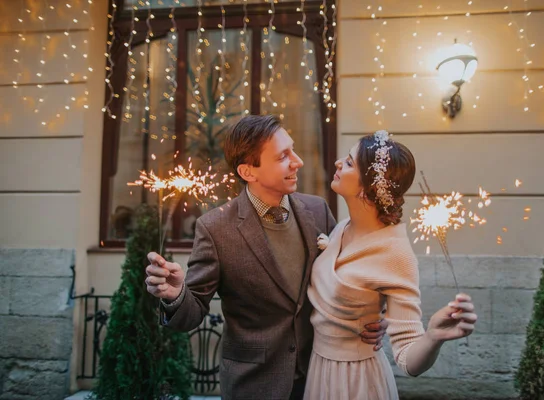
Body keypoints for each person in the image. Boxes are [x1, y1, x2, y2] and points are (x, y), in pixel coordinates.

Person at [144, 115, 387, 400]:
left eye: (293, 150)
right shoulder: (215, 229)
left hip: (321, 378)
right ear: (249, 172)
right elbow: (192, 313)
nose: (297, 161)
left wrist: (374, 315)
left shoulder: (318, 210)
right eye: (283, 156)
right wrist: (176, 295)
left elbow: (347, 279)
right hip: (254, 386)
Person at [303, 130, 478, 399]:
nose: (338, 162)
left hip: (357, 381)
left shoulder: (396, 254)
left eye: (349, 162)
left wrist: (432, 337)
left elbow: (408, 359)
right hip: (319, 371)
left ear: (368, 186)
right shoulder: (340, 229)